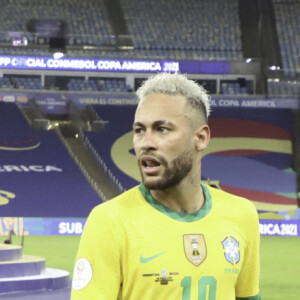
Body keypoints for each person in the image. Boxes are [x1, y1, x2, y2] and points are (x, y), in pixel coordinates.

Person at [71, 72, 260, 300]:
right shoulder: (109, 222)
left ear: (200, 138)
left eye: (162, 129)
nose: (145, 143)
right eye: (140, 130)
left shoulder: (242, 214)